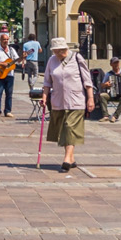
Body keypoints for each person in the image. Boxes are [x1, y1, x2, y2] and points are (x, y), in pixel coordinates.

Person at [41, 37, 92, 173]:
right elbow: (47, 82)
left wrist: (90, 98)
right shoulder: (52, 61)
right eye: (56, 51)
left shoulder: (77, 58)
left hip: (76, 100)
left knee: (70, 127)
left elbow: (87, 80)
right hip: (58, 100)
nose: (59, 54)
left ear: (66, 48)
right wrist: (44, 97)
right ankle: (72, 158)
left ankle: (67, 159)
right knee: (64, 129)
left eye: (61, 51)